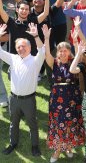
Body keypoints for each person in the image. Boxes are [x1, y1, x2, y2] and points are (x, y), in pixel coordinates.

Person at [0, 23, 45, 157]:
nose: (21, 49)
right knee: (13, 123)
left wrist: (36, 35)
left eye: (23, 46)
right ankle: (13, 143)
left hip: (29, 100)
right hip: (13, 99)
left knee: (32, 123)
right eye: (18, 47)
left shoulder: (35, 61)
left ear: (30, 48)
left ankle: (35, 146)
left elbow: (42, 50)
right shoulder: (13, 58)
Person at [45, 28, 85, 162]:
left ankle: (68, 147)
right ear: (57, 53)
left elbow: (79, 55)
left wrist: (75, 40)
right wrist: (46, 38)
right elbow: (46, 54)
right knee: (58, 123)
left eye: (65, 50)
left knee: (70, 123)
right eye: (60, 50)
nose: (62, 52)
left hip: (72, 98)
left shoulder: (73, 63)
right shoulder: (54, 63)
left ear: (69, 52)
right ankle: (56, 151)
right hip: (57, 99)